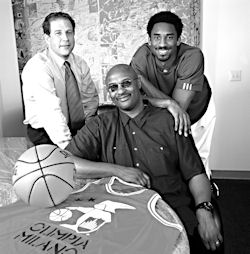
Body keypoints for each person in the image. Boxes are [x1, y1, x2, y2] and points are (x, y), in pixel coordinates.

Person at [65, 64, 223, 253]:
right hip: (123, 212)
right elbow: (65, 161)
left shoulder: (170, 120)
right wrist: (117, 170)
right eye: (113, 87)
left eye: (126, 83)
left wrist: (204, 209)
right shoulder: (101, 125)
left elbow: (195, 172)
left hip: (173, 206)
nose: (120, 91)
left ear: (138, 84)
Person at [130, 11, 216, 178]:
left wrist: (141, 79)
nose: (162, 44)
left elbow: (179, 107)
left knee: (197, 159)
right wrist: (165, 103)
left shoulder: (192, 56)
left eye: (169, 37)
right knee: (171, 159)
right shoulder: (141, 55)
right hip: (165, 112)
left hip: (198, 110)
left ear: (178, 40)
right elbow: (134, 99)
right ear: (149, 40)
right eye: (156, 37)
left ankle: (207, 197)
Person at [22, 12, 99, 149]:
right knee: (67, 168)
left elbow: (89, 101)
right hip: (46, 133)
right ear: (47, 38)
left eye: (69, 32)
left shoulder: (80, 64)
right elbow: (51, 113)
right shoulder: (38, 66)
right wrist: (71, 150)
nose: (65, 38)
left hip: (77, 129)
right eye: (58, 33)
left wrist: (87, 133)